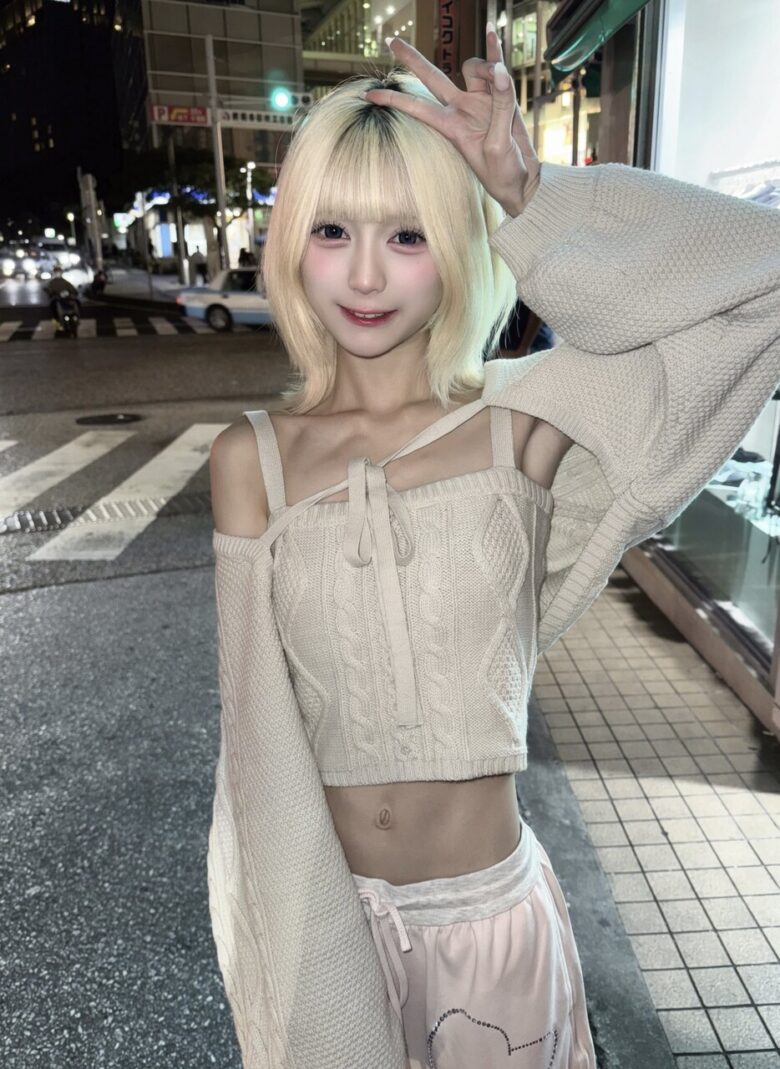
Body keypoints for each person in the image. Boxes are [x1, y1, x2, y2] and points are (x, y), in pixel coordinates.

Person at [206, 24, 780, 1069]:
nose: (365, 273)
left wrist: (531, 194)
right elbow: (258, 752)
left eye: (408, 234)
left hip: (497, 930)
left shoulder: (525, 422)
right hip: (337, 923)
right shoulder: (251, 461)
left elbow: (758, 283)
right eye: (333, 229)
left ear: (456, 243)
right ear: (291, 242)